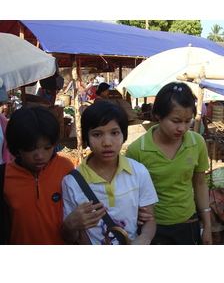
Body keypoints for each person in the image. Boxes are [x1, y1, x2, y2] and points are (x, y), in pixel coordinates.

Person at [126, 82, 212, 245]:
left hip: (188, 224)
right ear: (157, 114)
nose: (182, 128)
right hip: (151, 229)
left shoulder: (197, 143)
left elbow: (200, 184)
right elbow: (129, 193)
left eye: (188, 121)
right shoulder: (137, 150)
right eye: (176, 120)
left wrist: (207, 226)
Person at [61, 101, 158, 245]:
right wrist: (69, 226)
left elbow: (149, 221)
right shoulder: (72, 183)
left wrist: (144, 238)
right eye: (97, 134)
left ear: (124, 135)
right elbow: (73, 237)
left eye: (114, 133)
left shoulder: (138, 172)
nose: (107, 142)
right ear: (86, 138)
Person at [2, 106, 75, 244]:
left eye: (47, 148)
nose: (40, 156)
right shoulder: (4, 176)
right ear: (16, 146)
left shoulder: (66, 168)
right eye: (30, 149)